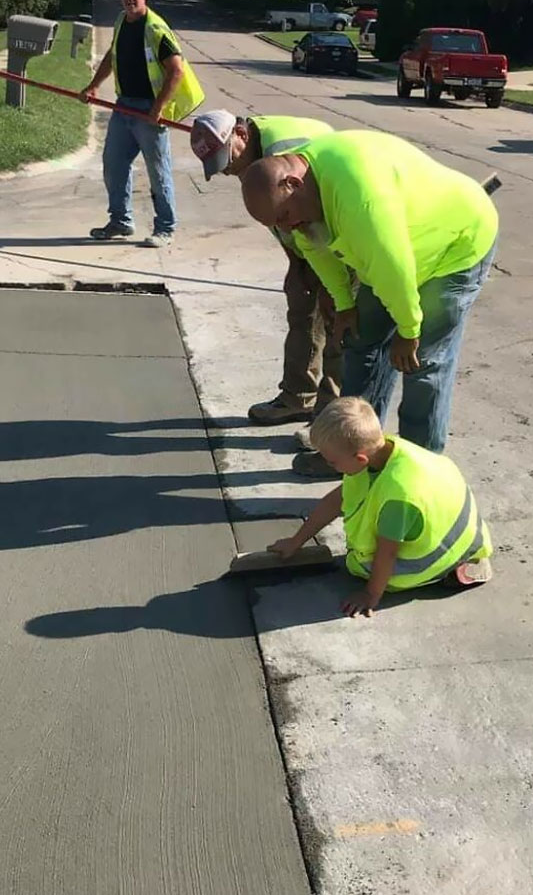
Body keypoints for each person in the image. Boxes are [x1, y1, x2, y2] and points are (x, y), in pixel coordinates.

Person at [240, 130, 498, 479]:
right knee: (359, 340)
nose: (287, 228)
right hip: (397, 252)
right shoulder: (303, 191)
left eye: (284, 216)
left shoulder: (360, 198)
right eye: (276, 224)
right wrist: (345, 305)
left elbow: (393, 267)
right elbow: (317, 249)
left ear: (293, 184)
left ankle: (419, 474)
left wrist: (408, 331)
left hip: (455, 245)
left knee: (423, 363)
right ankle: (349, 453)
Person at [269, 397, 492, 618]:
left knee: (359, 566)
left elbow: (388, 552)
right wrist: (295, 541)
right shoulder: (386, 448)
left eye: (332, 461)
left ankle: (451, 570)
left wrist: (371, 594)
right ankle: (465, 559)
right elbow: (335, 501)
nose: (330, 465)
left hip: (434, 556)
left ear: (360, 459)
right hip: (463, 534)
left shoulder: (398, 495)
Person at [190, 109, 342, 426]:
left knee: (338, 319)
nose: (228, 171)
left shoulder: (283, 153)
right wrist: (296, 264)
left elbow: (308, 220)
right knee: (301, 302)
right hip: (308, 236)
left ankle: (331, 418)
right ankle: (298, 397)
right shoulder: (253, 158)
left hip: (336, 233)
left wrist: (330, 283)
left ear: (241, 135)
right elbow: (281, 221)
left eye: (227, 160)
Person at [81, 0, 204, 247]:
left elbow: (176, 71)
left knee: (158, 171)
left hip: (149, 110)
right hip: (124, 106)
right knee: (113, 165)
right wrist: (93, 86)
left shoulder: (156, 29)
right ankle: (121, 222)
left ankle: (165, 228)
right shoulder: (121, 21)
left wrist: (159, 108)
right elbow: (112, 56)